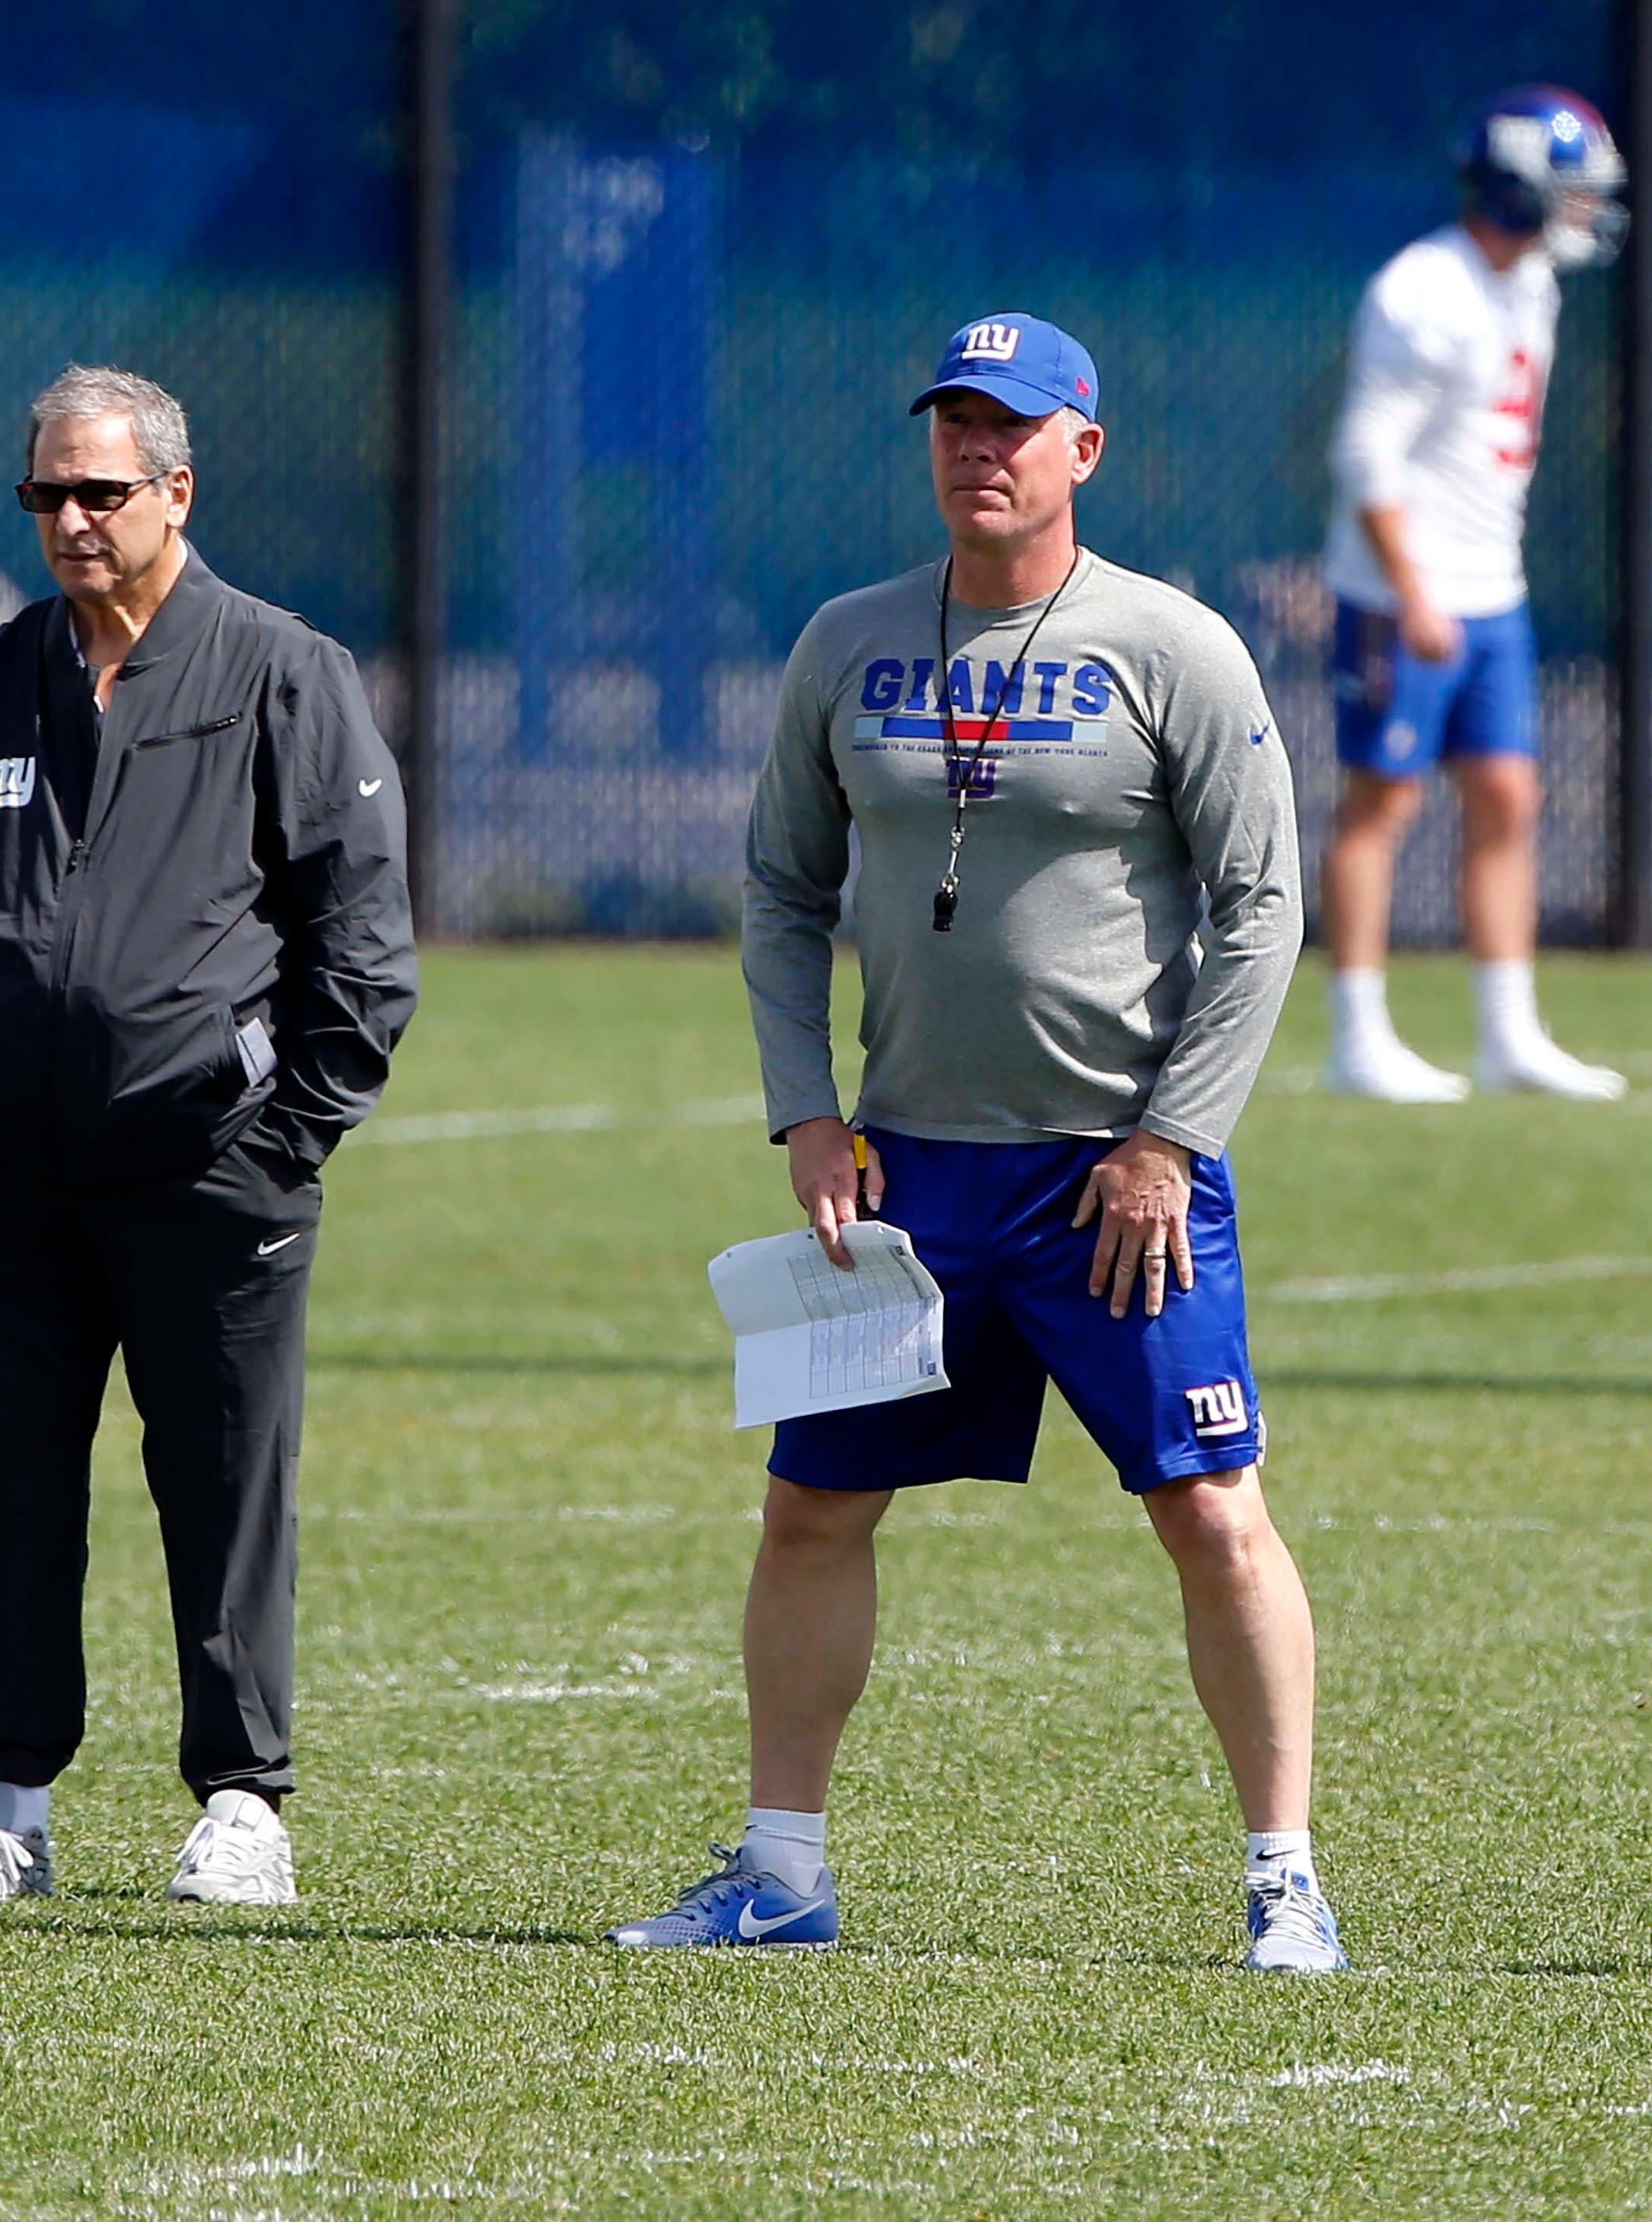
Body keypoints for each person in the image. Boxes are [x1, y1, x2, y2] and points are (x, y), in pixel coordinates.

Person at [606, 312, 1344, 1973]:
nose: (976, 448)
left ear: (1085, 446)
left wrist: (1173, 1139)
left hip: (1114, 1181)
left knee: (1215, 1510)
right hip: (905, 1180)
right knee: (812, 1512)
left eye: (1011, 423)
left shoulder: (1176, 646)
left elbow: (1262, 907)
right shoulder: (847, 643)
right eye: (952, 419)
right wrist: (805, 1108)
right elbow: (786, 892)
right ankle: (783, 1873)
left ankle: (1283, 1878)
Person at [0, 365, 417, 1905]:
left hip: (207, 1167)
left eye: (100, 492)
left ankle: (243, 1801)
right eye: (45, 494)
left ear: (179, 492)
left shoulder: (281, 670)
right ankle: (10, 1798)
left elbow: (361, 941)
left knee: (228, 1477)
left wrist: (283, 1133)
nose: (71, 521)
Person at [1321, 87, 1629, 1101]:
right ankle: (1358, 1035)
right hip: (1403, 588)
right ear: (1516, 188)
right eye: (1568, 193)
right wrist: (1414, 593)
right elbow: (1369, 459)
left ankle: (1509, 1030)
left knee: (1509, 795)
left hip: (1493, 584)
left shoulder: (1533, 281)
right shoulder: (1421, 291)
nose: (1582, 213)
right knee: (1386, 800)